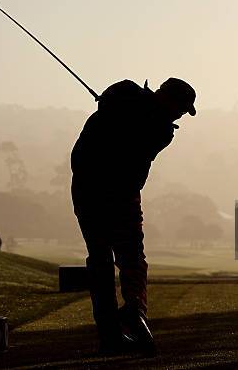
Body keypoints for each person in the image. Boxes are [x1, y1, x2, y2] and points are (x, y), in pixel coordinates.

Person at [71, 78, 196, 355]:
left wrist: (109, 100)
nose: (179, 115)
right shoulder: (148, 115)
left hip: (105, 191)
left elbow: (115, 106)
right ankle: (127, 319)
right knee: (121, 259)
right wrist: (112, 100)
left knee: (112, 260)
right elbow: (117, 102)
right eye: (179, 107)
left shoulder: (159, 128)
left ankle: (119, 326)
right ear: (164, 96)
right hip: (104, 192)